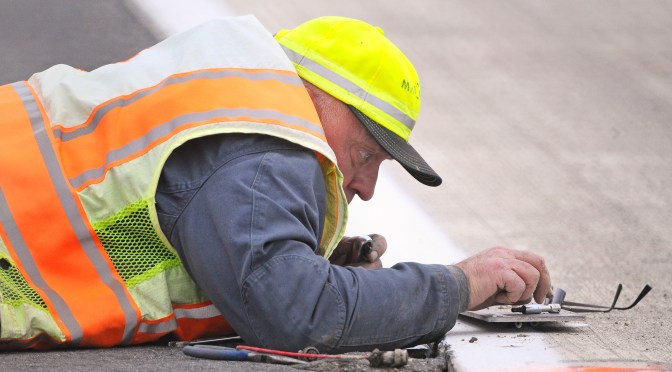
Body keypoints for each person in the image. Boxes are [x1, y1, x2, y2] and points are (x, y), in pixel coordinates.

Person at [0, 15, 550, 351]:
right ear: (319, 102)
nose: (364, 187)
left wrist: (312, 263)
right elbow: (298, 313)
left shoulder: (226, 96)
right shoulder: (266, 144)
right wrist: (459, 284)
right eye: (366, 155)